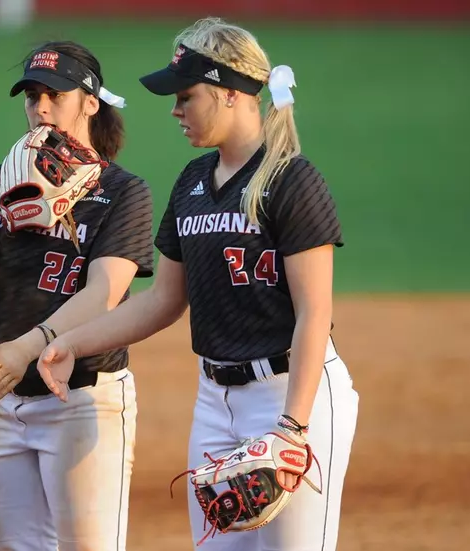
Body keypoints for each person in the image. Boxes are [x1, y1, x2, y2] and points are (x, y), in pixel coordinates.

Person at [36, 17, 360, 551]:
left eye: (187, 96)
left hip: (292, 395)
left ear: (231, 94)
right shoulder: (191, 182)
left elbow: (314, 314)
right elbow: (163, 300)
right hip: (215, 401)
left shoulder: (292, 180)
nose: (175, 110)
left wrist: (292, 428)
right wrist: (71, 341)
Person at [0, 41, 155, 551]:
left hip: (82, 398)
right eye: (32, 96)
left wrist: (27, 347)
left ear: (90, 102)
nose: (40, 107)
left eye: (54, 95)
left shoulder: (122, 191)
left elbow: (105, 292)